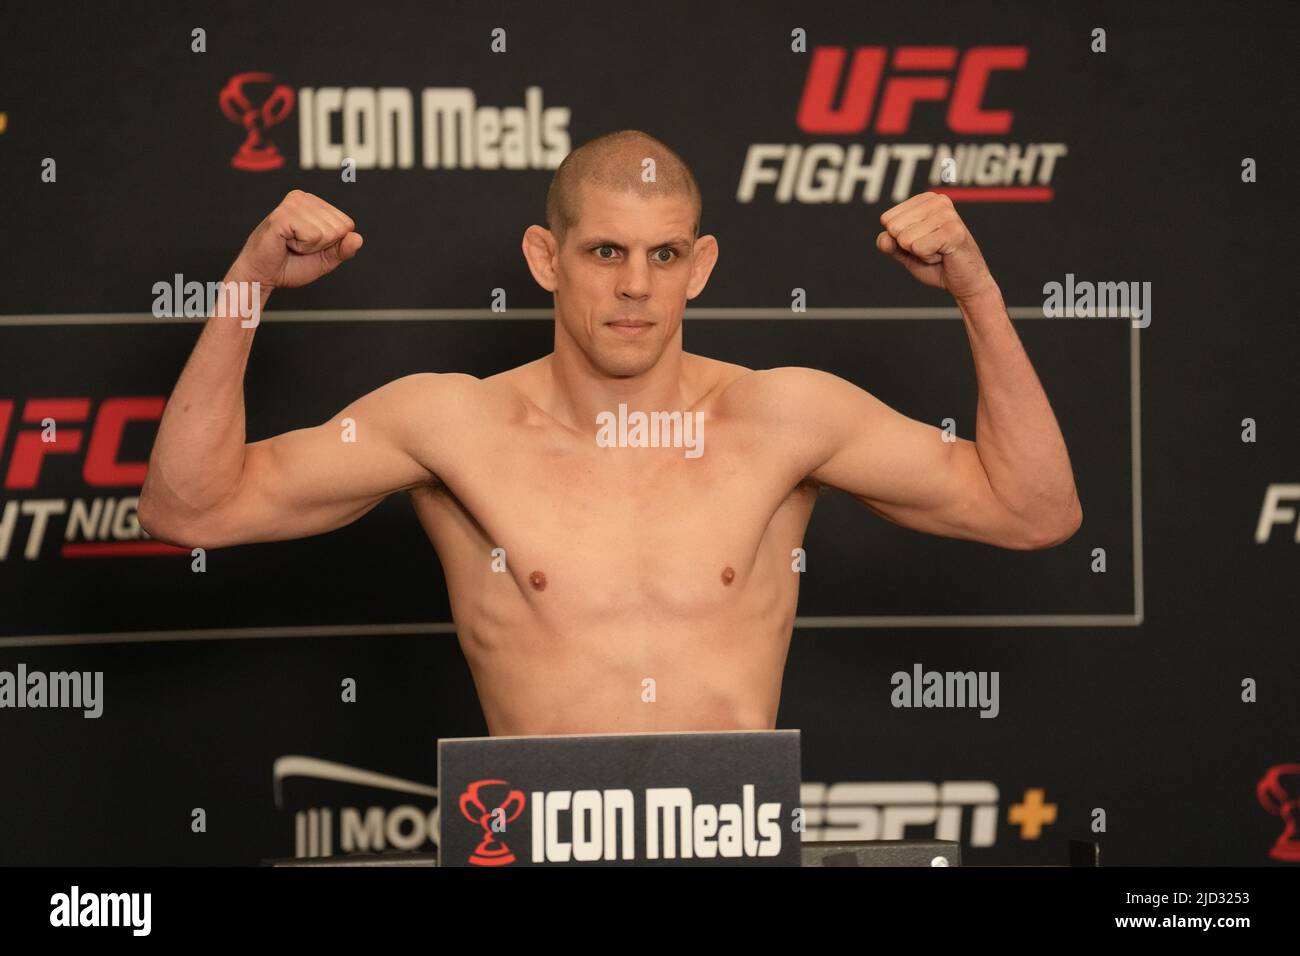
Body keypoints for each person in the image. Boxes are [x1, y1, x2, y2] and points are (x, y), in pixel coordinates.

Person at [139, 130, 1080, 736]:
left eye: (664, 255)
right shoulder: (451, 426)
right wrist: (248, 285)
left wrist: (977, 292)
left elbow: (1031, 510)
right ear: (546, 259)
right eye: (606, 252)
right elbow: (191, 508)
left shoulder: (784, 418)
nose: (636, 285)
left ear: (699, 266)